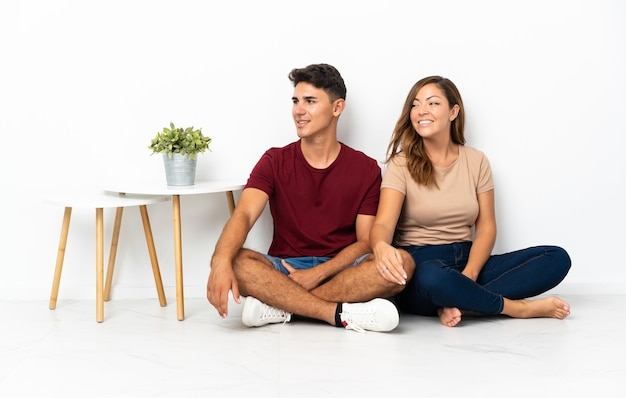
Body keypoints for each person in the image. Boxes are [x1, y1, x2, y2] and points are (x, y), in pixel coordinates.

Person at [206, 63, 415, 333]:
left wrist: (321, 272)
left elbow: (366, 241)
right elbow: (244, 215)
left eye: (310, 101)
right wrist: (220, 261)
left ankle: (281, 307)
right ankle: (336, 313)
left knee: (403, 264)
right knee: (233, 260)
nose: (298, 110)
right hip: (285, 268)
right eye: (295, 101)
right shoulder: (274, 160)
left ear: (337, 108)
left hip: (343, 270)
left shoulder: (365, 168)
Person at [370, 75, 571, 327]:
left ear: (453, 112)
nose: (421, 110)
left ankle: (458, 302)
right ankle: (514, 308)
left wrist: (469, 275)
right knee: (433, 278)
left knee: (556, 258)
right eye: (415, 104)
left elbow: (486, 226)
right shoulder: (402, 163)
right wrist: (380, 246)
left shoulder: (476, 160)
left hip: (467, 259)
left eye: (432, 103)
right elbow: (383, 225)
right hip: (420, 264)